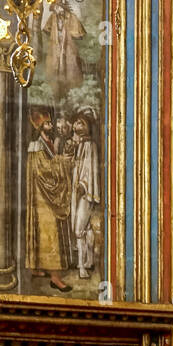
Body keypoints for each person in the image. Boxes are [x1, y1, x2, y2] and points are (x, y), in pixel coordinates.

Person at [25, 113, 73, 291]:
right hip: (42, 196)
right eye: (47, 123)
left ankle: (38, 267)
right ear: (40, 126)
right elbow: (44, 170)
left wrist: (59, 160)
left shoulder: (47, 142)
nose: (51, 125)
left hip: (43, 196)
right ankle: (55, 278)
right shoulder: (37, 145)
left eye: (51, 122)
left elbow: (50, 163)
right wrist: (64, 162)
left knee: (43, 231)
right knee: (49, 233)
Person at [70, 112, 101, 280]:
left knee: (79, 230)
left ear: (87, 126)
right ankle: (89, 261)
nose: (76, 126)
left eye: (80, 123)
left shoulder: (90, 145)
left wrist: (83, 185)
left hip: (84, 192)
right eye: (75, 122)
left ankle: (82, 267)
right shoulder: (80, 144)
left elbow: (90, 170)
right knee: (87, 228)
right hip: (78, 191)